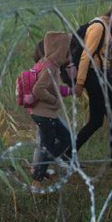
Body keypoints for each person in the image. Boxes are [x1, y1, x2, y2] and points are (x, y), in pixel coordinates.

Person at [71, 0, 112, 162]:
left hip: (100, 76)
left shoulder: (108, 28)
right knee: (100, 119)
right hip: (93, 77)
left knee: (107, 117)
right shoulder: (98, 27)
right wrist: (79, 83)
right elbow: (86, 56)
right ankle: (68, 152)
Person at [30, 32, 72, 187]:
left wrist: (67, 92)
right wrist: (54, 100)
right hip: (44, 114)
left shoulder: (46, 63)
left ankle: (41, 167)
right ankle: (37, 179)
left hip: (45, 113)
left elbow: (51, 87)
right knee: (50, 145)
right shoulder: (50, 67)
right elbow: (38, 89)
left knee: (64, 139)